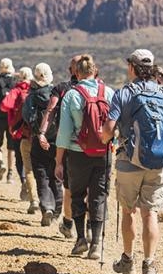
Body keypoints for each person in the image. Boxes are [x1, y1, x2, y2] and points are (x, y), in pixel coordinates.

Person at [103, 49, 163, 274]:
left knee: (128, 210)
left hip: (128, 161)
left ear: (132, 67)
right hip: (158, 162)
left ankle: (127, 260)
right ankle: (149, 266)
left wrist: (104, 138)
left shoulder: (123, 93)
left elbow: (108, 130)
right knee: (149, 213)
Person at [55, 54, 115, 260]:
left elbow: (63, 132)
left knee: (77, 194)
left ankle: (81, 239)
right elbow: (116, 125)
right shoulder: (109, 92)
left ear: (77, 73)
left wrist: (58, 162)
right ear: (95, 71)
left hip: (77, 153)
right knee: (99, 197)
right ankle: (96, 244)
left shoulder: (71, 95)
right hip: (103, 153)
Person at [40, 55, 81, 238]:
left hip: (67, 145)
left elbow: (50, 111)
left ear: (70, 70)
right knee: (89, 189)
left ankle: (68, 223)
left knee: (69, 188)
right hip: (93, 146)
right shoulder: (99, 89)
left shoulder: (62, 88)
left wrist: (42, 132)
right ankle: (89, 229)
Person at [24, 62, 60, 225]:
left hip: (39, 139)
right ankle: (58, 209)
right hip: (58, 141)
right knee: (57, 176)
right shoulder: (58, 93)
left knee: (41, 174)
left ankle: (46, 208)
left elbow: (27, 115)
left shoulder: (32, 95)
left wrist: (37, 131)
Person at [2, 67, 38, 213]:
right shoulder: (36, 90)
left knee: (21, 161)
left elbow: (4, 105)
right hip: (38, 134)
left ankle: (25, 182)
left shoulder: (17, 90)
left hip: (19, 132)